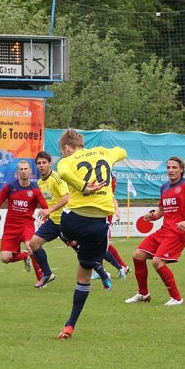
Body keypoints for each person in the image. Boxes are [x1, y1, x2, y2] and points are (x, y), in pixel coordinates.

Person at [54, 128, 127, 340]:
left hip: (73, 221)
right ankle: (70, 325)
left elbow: (65, 173)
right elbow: (122, 151)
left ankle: (94, 263)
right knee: (83, 277)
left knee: (61, 232)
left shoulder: (67, 160)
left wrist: (84, 186)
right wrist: (113, 155)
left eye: (63, 151)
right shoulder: (104, 152)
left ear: (67, 148)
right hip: (98, 225)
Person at [125, 157, 185, 307]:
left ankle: (177, 298)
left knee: (157, 261)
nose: (170, 170)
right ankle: (143, 294)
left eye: (174, 167)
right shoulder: (164, 187)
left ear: (181, 169)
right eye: (168, 167)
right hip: (164, 230)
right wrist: (152, 216)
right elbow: (161, 210)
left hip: (177, 233)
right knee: (138, 256)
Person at [0, 160, 49, 281]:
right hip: (10, 227)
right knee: (5, 258)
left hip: (26, 225)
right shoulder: (10, 187)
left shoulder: (35, 190)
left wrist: (44, 218)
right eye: (21, 169)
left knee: (30, 245)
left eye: (25, 169)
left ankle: (41, 280)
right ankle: (24, 256)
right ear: (17, 172)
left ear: (30, 171)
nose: (23, 171)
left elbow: (45, 207)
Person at [27, 151, 69, 288]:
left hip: (67, 221)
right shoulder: (39, 182)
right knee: (33, 244)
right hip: (53, 222)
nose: (41, 165)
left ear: (50, 164)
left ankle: (104, 272)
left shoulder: (56, 177)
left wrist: (50, 210)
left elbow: (66, 197)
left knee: (83, 251)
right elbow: (47, 200)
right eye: (39, 163)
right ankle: (47, 274)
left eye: (44, 162)